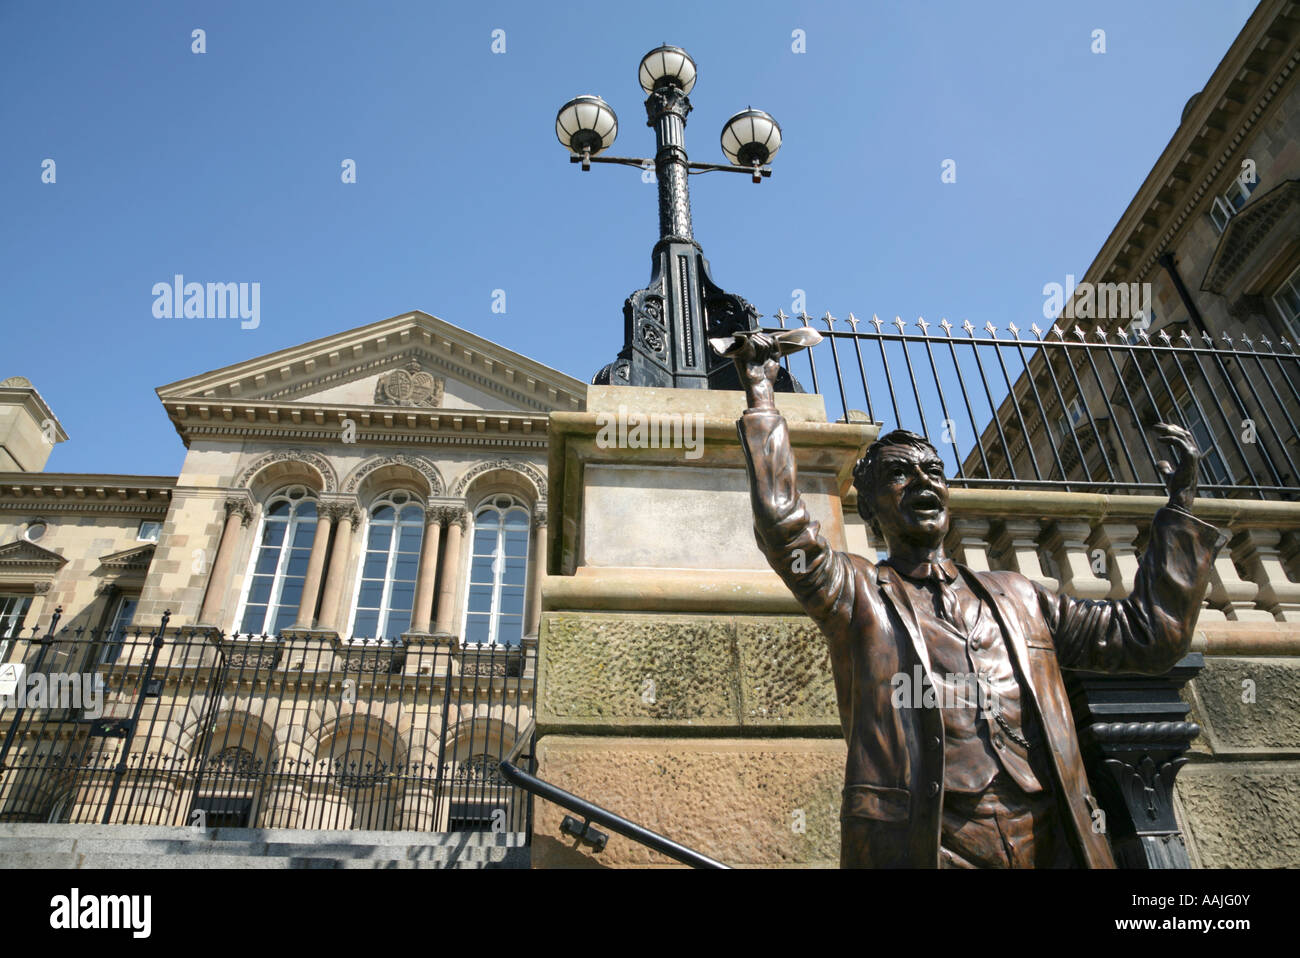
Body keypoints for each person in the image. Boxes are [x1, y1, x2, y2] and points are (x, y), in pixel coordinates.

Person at [730, 332, 1226, 868]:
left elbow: (1147, 638)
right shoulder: (857, 593)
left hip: (1050, 834)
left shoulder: (1017, 595)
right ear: (870, 509)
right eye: (899, 473)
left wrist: (1179, 515)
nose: (922, 479)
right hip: (927, 842)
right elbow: (784, 528)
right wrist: (762, 399)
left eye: (932, 471)